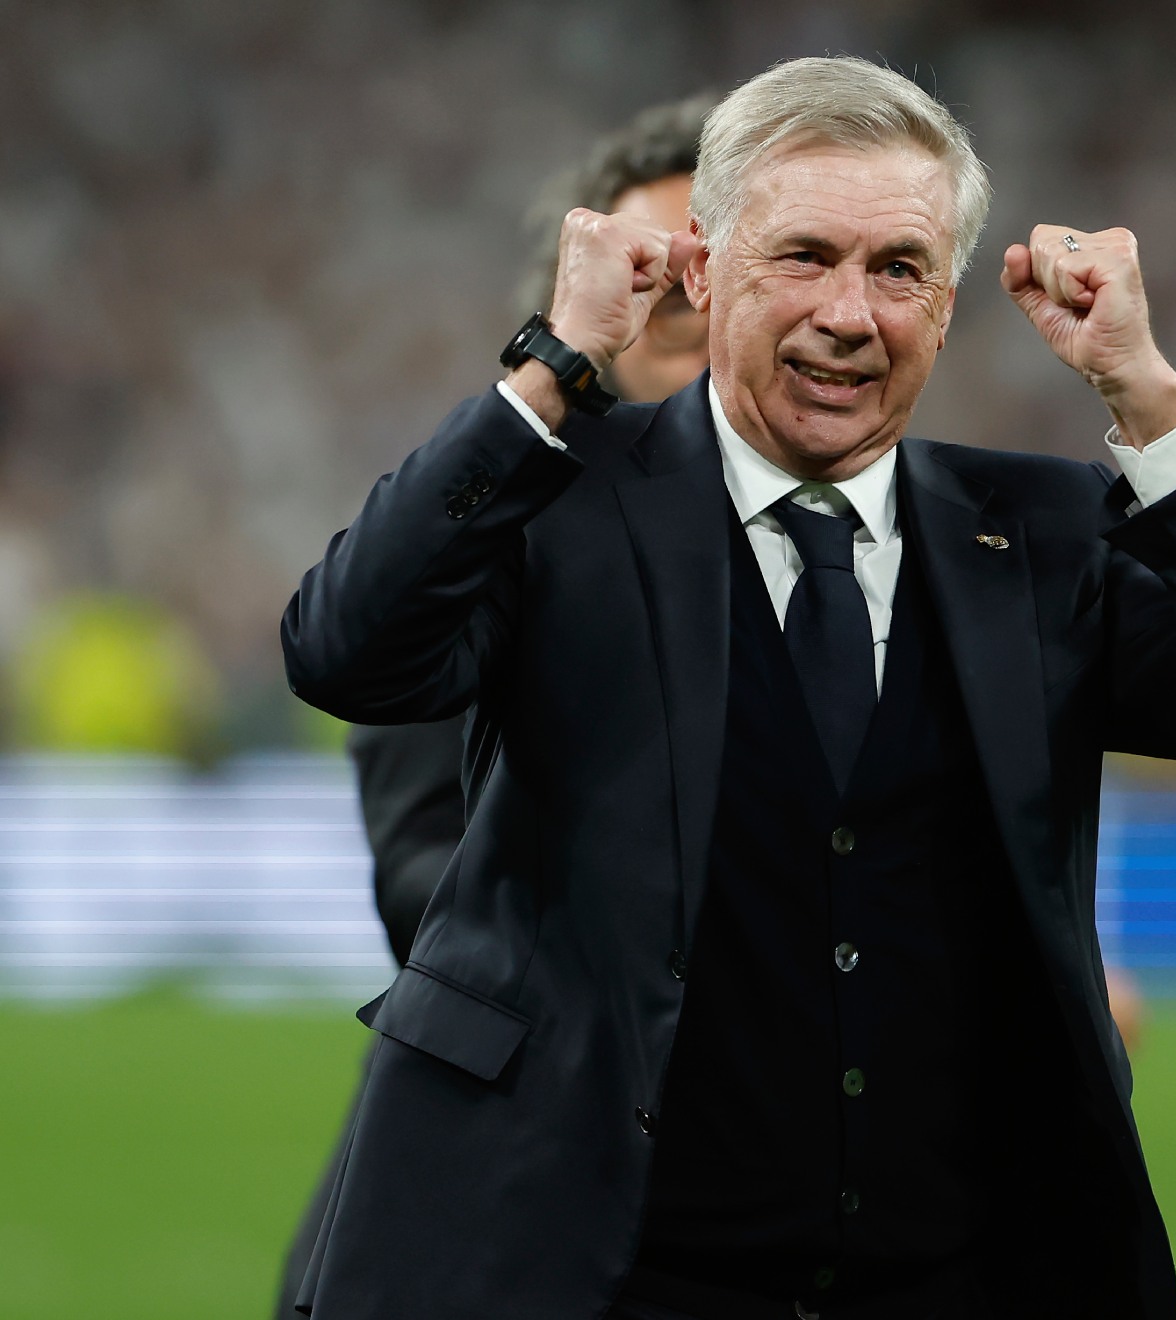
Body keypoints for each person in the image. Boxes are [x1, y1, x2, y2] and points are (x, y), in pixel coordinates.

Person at [281, 56, 1176, 1320]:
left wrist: (1147, 395)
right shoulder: (556, 498)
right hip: (593, 1262)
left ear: (947, 306)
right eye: (804, 257)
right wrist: (551, 367)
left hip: (949, 1273)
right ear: (707, 267)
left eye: (898, 270)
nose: (852, 314)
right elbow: (347, 655)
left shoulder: (1043, 536)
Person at [268, 94, 719, 1320]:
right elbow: (426, 879)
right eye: (660, 296)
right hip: (511, 1197)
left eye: (731, 286)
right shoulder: (487, 541)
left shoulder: (865, 555)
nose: (705, 332)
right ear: (595, 315)